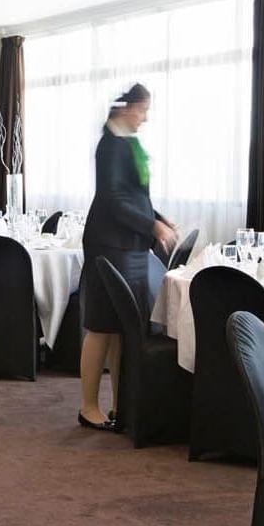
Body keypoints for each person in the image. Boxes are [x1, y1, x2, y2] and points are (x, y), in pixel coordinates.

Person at [78, 82, 177, 429]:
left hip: (130, 246)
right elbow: (113, 200)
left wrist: (159, 218)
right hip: (109, 245)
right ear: (127, 108)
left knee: (122, 327)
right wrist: (152, 226)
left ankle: (121, 406)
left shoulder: (127, 144)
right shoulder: (110, 146)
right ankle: (88, 407)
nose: (145, 118)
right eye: (143, 110)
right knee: (102, 325)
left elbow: (136, 197)